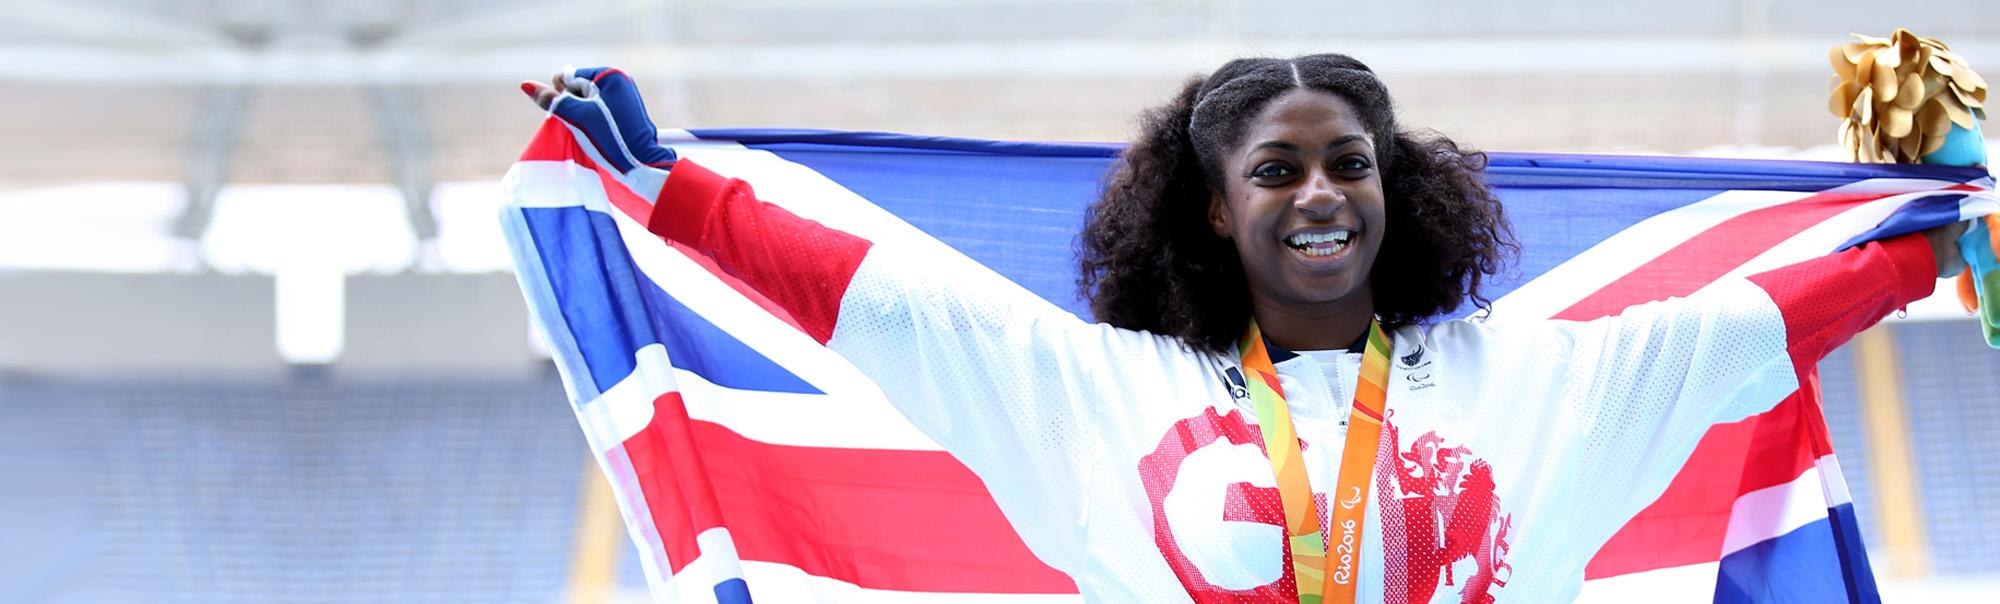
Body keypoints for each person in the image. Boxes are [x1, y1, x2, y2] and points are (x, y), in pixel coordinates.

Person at [522, 54, 1970, 604]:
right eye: (1275, 169)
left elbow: (1742, 330)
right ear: (1212, 210)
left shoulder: (1536, 382)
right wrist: (666, 190)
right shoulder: (1102, 395)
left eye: (1351, 162)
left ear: (1395, 189)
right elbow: (880, 306)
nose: (1321, 192)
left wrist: (1936, 245)